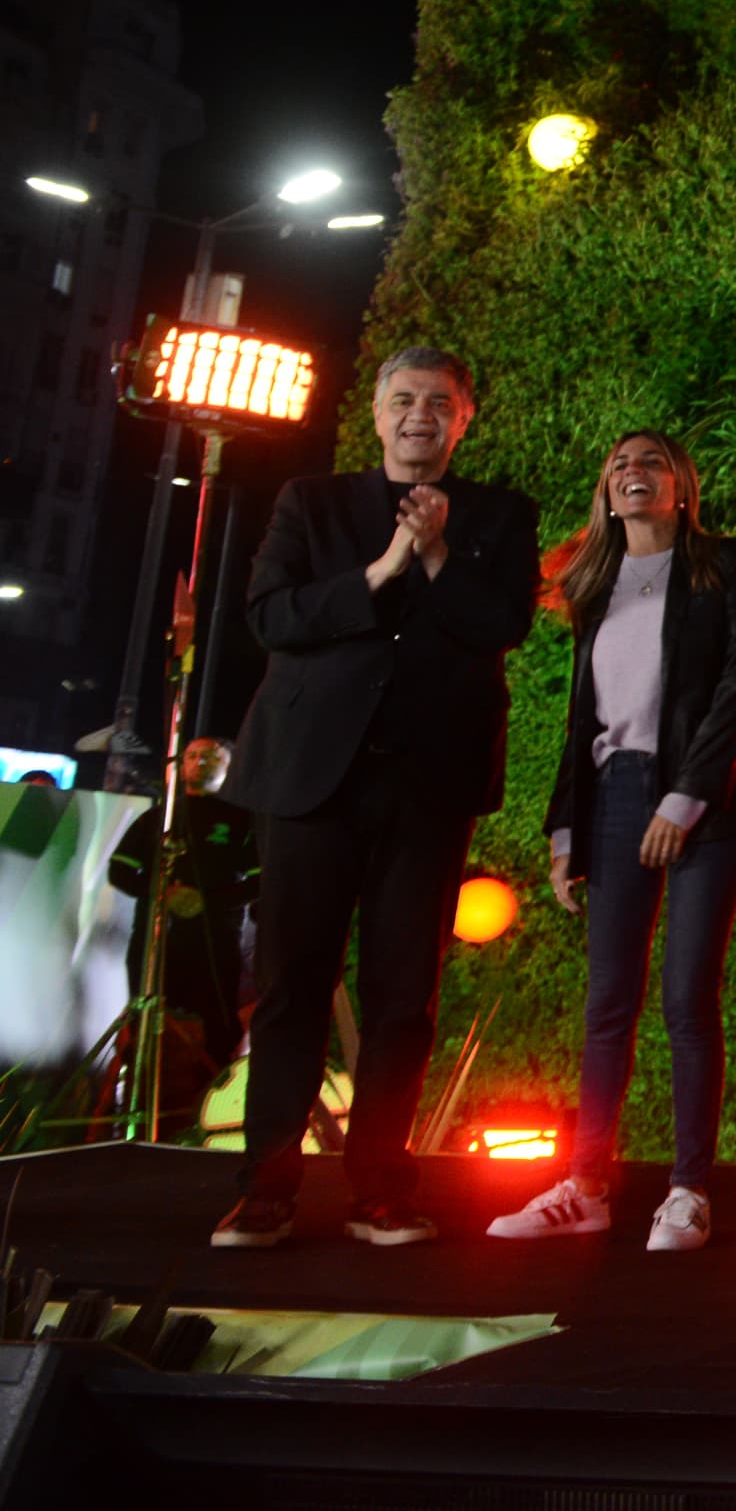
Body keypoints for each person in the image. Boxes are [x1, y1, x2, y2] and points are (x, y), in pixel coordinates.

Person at [214, 348, 542, 1249]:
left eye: (440, 403)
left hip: (428, 786)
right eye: (403, 401)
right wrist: (380, 568)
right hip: (309, 780)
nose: (419, 416)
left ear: (464, 418)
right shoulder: (311, 504)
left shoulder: (500, 517)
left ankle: (381, 1190)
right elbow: (271, 617)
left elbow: (501, 625)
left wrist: (435, 552)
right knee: (290, 988)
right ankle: (266, 1190)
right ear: (376, 414)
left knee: (404, 998)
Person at [487, 431, 736, 1253]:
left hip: (706, 803)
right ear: (606, 494)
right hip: (613, 798)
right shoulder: (595, 584)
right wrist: (564, 829)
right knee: (608, 1000)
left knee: (687, 997)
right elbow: (585, 720)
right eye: (618, 467)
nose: (631, 475)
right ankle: (586, 1185)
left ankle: (688, 1192)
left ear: (682, 485)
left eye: (649, 463)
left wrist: (684, 799)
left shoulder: (726, 565)